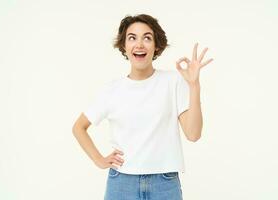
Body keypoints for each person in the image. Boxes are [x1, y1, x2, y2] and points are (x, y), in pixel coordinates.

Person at [72, 13, 213, 200]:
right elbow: (79, 128)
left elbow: (193, 134)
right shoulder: (111, 90)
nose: (139, 44)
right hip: (122, 183)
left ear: (156, 46)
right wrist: (99, 160)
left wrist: (194, 85)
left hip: (164, 183)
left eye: (147, 38)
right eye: (132, 38)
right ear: (124, 46)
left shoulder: (173, 82)